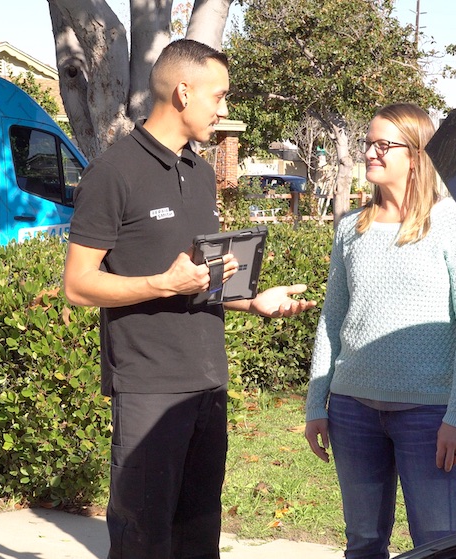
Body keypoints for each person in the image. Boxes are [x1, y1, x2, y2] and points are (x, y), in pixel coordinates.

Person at [63, 39, 316, 559]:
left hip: (208, 384)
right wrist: (160, 284)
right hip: (149, 391)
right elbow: (78, 284)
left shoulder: (200, 173)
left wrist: (253, 300)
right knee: (144, 544)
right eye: (218, 97)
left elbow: (203, 280)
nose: (224, 111)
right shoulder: (113, 173)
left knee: (198, 540)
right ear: (183, 91)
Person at [303, 103, 456, 558]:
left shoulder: (454, 224)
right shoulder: (351, 227)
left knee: (439, 544)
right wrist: (316, 403)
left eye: (382, 144)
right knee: (364, 541)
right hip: (353, 411)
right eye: (369, 142)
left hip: (428, 416)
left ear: (416, 154)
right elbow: (333, 317)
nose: (371, 152)